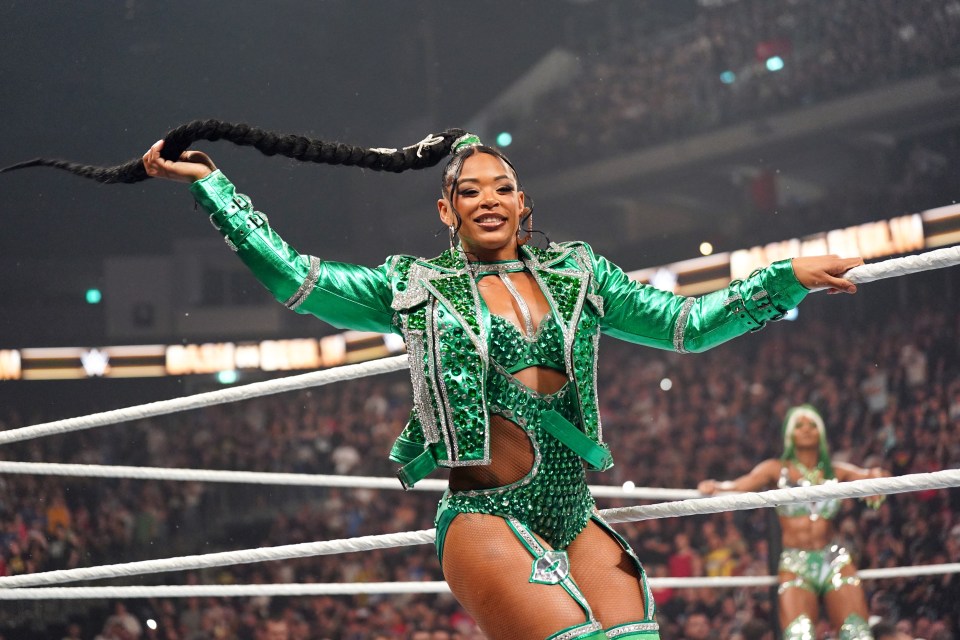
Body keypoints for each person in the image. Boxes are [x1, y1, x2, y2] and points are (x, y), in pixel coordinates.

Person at [130, 125, 866, 640]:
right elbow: (297, 278)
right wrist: (213, 190)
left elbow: (688, 324)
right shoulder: (413, 285)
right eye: (469, 189)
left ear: (523, 205)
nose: (488, 198)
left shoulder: (582, 272)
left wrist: (781, 279)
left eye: (502, 187)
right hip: (485, 517)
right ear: (446, 210)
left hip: (574, 513)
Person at [698, 405, 889, 640]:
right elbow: (738, 485)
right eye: (800, 425)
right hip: (796, 562)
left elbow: (875, 475)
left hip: (833, 557)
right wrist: (715, 486)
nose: (806, 430)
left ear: (821, 432)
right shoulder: (776, 469)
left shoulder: (835, 471)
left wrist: (877, 481)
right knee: (798, 635)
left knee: (857, 632)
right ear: (790, 434)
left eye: (812, 425)